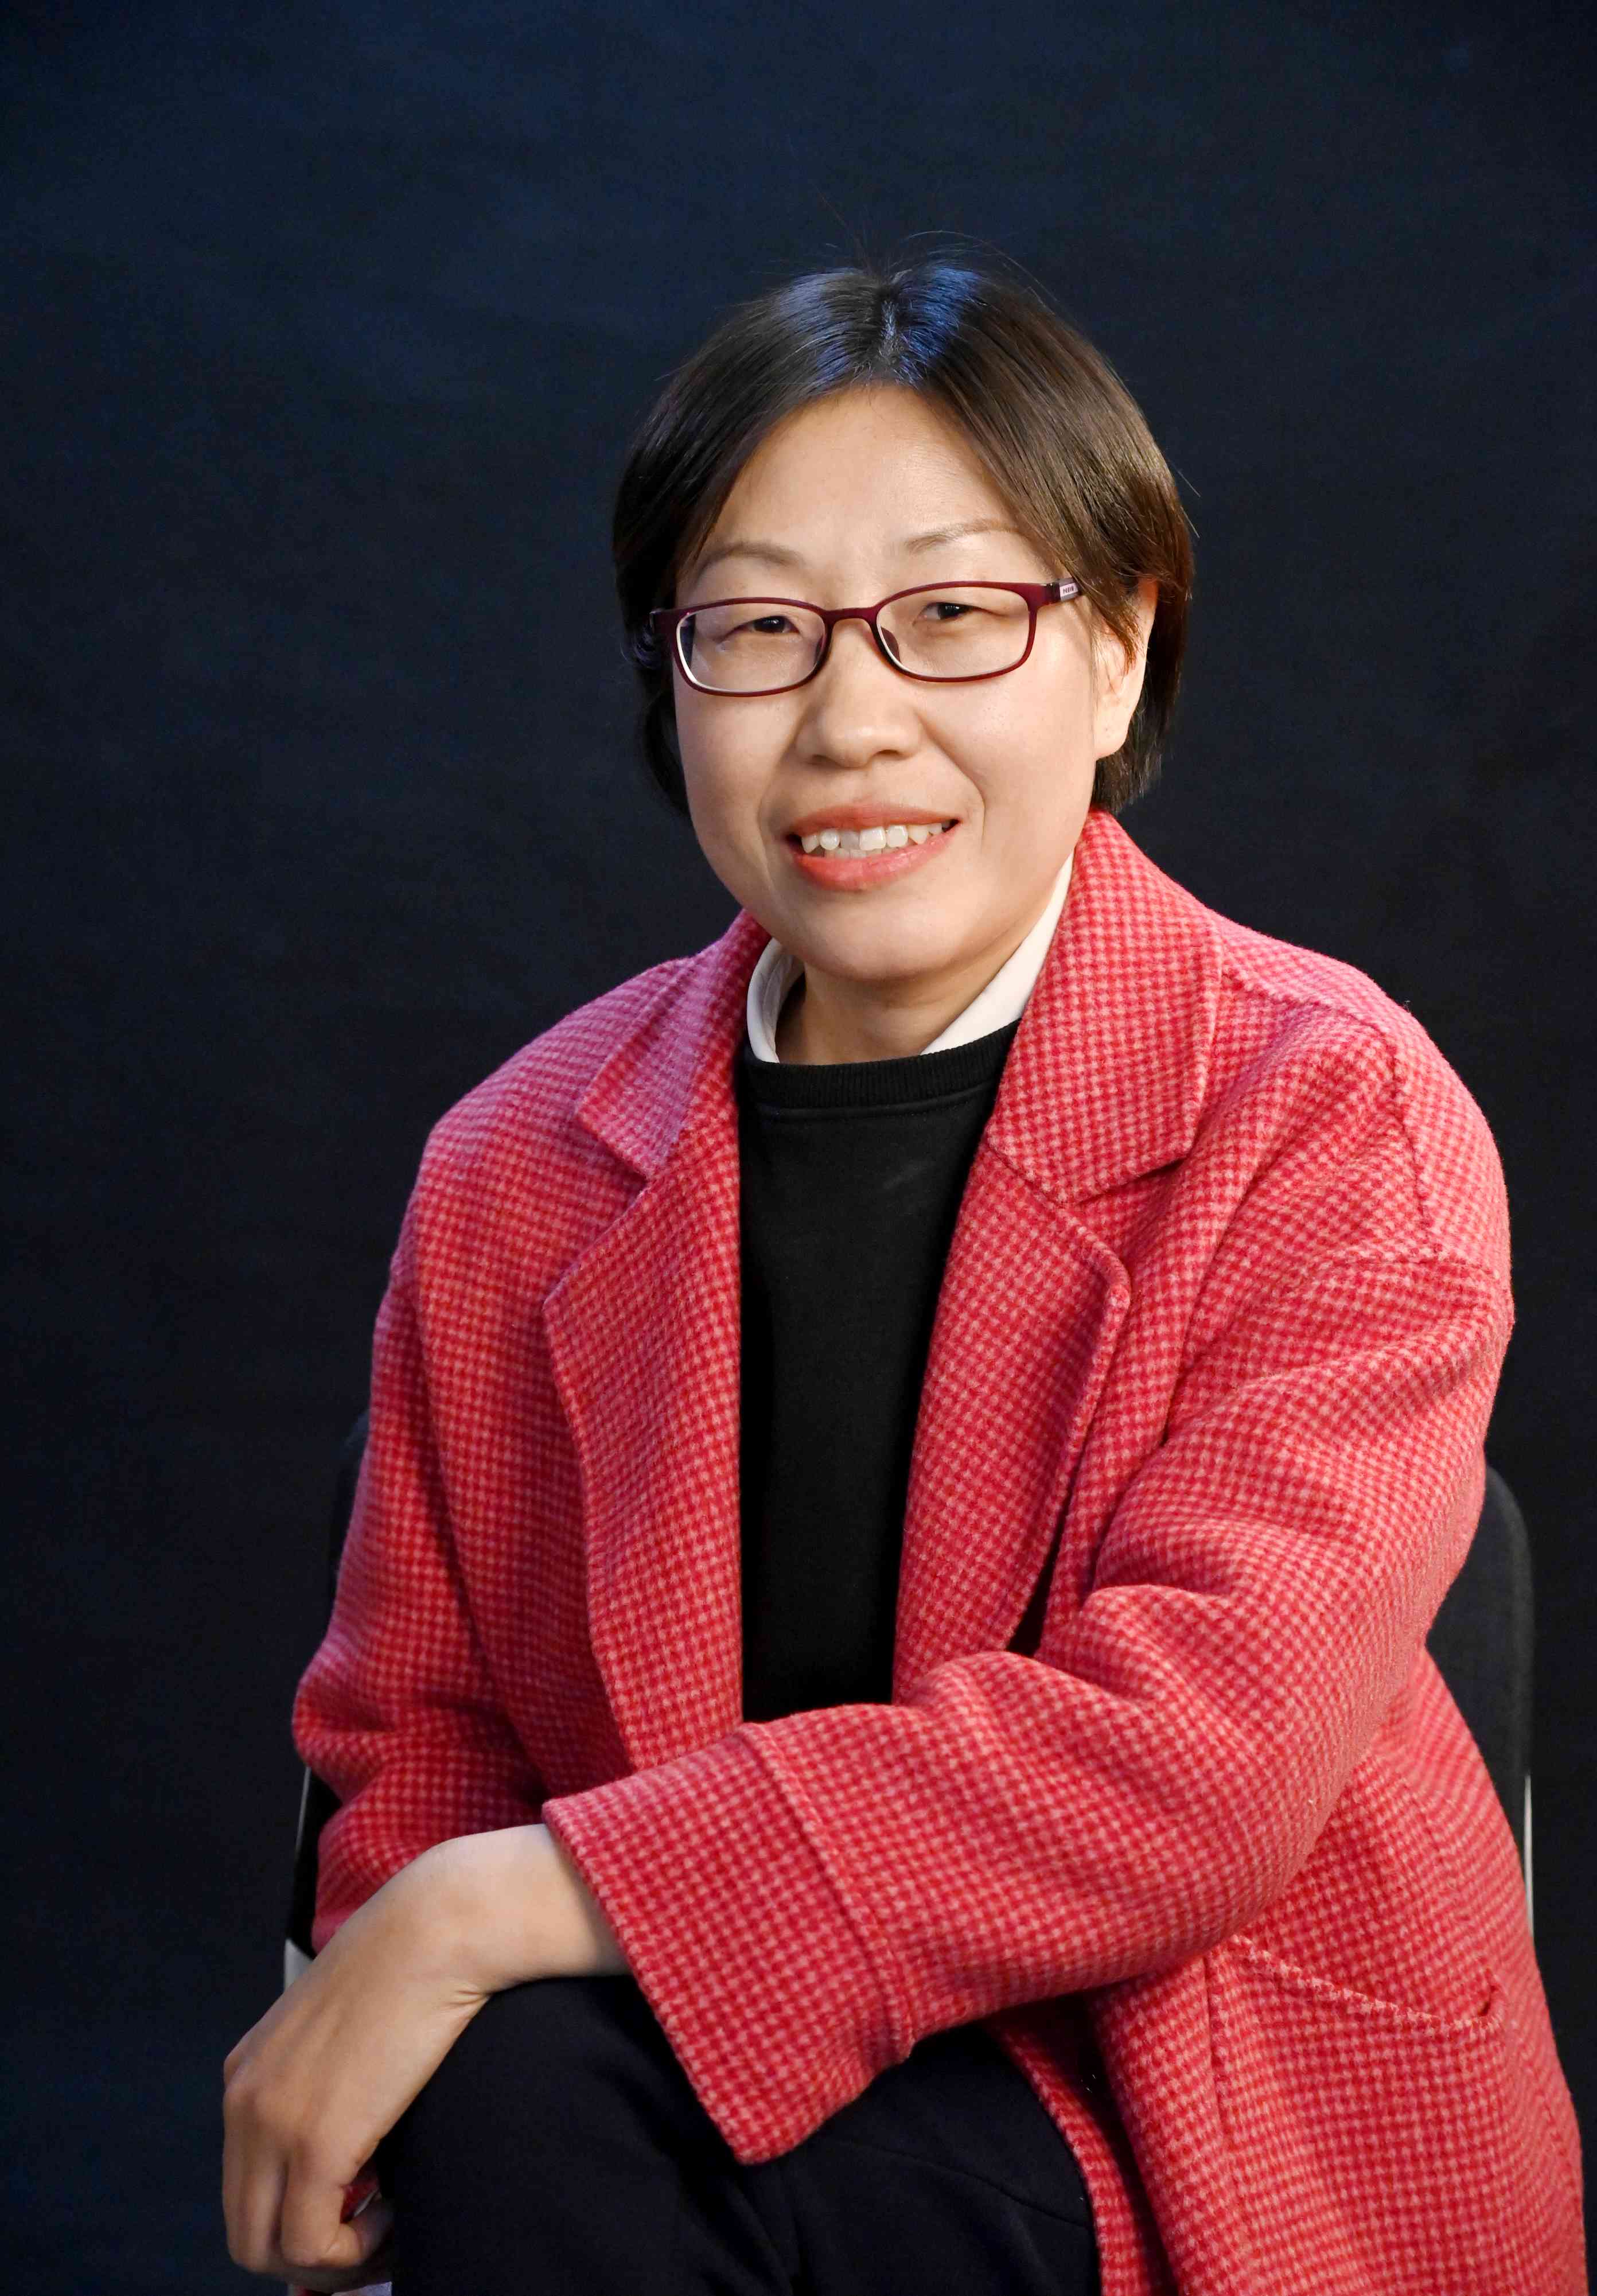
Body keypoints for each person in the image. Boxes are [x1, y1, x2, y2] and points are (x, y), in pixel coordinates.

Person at [221, 248, 1585, 2295]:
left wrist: (497, 1907)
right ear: (671, 679)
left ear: (1118, 651)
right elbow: (420, 1732)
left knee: (538, 2073)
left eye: (954, 616)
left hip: (1189, 2127)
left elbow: (1193, 1766)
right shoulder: (517, 1163)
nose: (852, 720)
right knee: (517, 2098)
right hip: (668, 2109)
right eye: (759, 629)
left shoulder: (1330, 1109)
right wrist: (405, 1969)